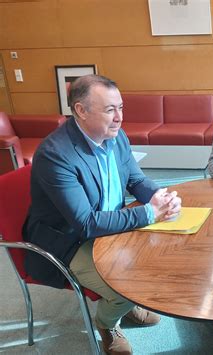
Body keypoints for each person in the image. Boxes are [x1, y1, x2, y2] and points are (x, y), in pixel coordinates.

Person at [23, 75, 181, 355]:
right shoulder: (55, 154)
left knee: (159, 262)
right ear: (81, 111)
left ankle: (126, 303)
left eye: (121, 107)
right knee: (127, 287)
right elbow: (85, 224)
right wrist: (149, 214)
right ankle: (107, 323)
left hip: (110, 226)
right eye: (110, 110)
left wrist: (157, 196)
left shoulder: (115, 136)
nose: (120, 117)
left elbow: (135, 179)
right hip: (69, 241)